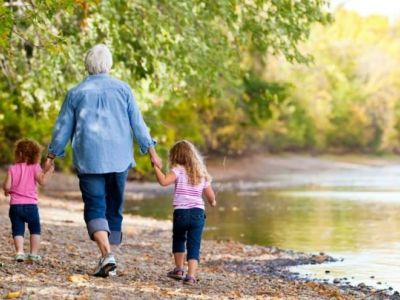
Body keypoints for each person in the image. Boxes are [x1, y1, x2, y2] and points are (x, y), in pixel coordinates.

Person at [45, 44, 162, 277]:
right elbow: (138, 123)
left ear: (87, 64)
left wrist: (50, 156)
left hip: (89, 160)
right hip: (119, 159)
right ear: (108, 64)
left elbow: (62, 130)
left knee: (95, 206)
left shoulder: (76, 93)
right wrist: (151, 151)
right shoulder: (123, 89)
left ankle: (106, 255)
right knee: (113, 207)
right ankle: (108, 254)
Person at [153, 140, 216, 285]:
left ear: (176, 156)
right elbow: (210, 196)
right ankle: (191, 276)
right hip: (197, 213)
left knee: (179, 239)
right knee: (194, 244)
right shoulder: (201, 173)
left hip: (181, 212)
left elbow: (163, 181)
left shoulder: (177, 170)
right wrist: (212, 202)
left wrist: (156, 167)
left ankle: (179, 269)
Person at [2, 139, 54, 262]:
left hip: (15, 206)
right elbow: (43, 182)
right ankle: (33, 254)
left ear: (19, 154)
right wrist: (49, 171)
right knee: (35, 229)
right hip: (31, 206)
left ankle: (20, 252)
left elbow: (7, 186)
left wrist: (6, 191)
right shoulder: (35, 167)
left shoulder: (12, 168)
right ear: (36, 155)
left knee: (17, 229)